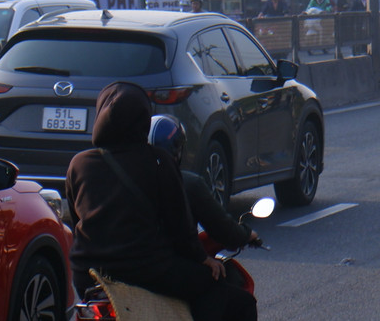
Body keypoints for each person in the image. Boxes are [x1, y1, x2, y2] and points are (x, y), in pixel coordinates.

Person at [65, 82, 257, 321]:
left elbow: (76, 218)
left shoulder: (79, 164)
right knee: (233, 298)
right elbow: (180, 226)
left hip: (88, 275)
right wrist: (202, 259)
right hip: (146, 270)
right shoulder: (158, 161)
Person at [147, 115, 261, 252]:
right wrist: (246, 234)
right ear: (176, 149)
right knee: (218, 267)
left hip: (131, 259)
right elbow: (221, 226)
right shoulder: (188, 184)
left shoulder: (131, 182)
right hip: (170, 260)